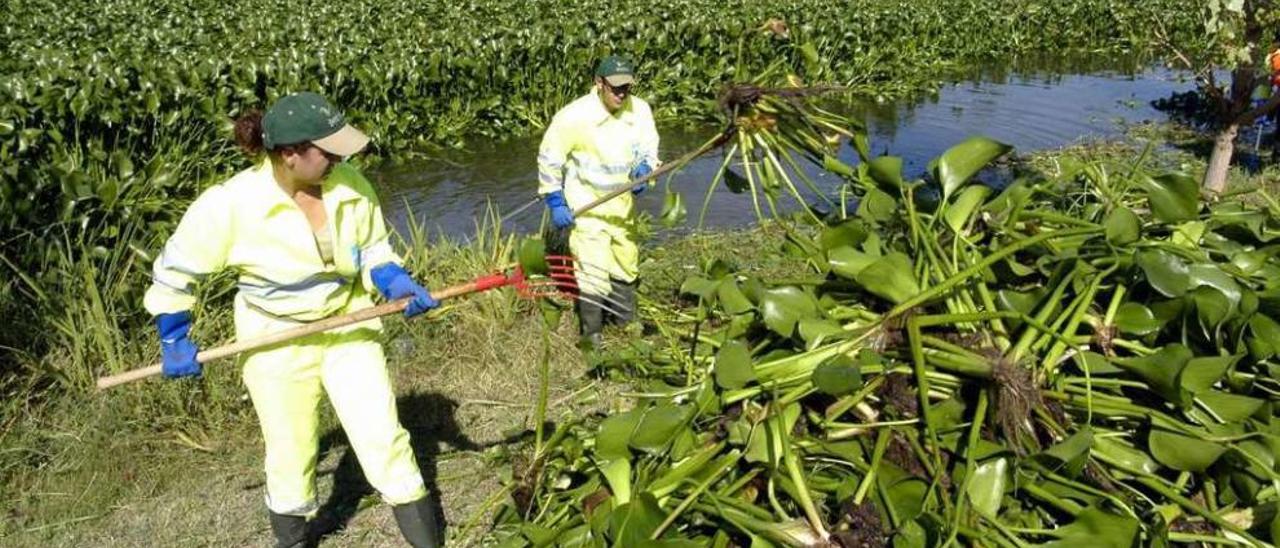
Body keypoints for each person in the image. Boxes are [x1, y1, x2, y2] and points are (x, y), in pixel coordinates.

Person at [144, 92, 441, 547]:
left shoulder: (351, 186)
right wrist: (174, 336)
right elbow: (174, 272)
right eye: (328, 151)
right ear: (289, 155)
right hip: (274, 335)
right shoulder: (230, 204)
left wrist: (392, 279)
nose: (340, 158)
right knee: (291, 450)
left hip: (348, 322)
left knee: (383, 436)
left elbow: (374, 248)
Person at [536, 55, 661, 348]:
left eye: (626, 88)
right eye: (615, 87)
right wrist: (555, 201)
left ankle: (624, 324)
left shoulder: (640, 110)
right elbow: (549, 158)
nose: (621, 93)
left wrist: (645, 171)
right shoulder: (573, 117)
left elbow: (649, 148)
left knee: (625, 262)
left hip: (621, 206)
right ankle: (592, 334)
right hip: (587, 205)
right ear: (598, 83)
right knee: (592, 270)